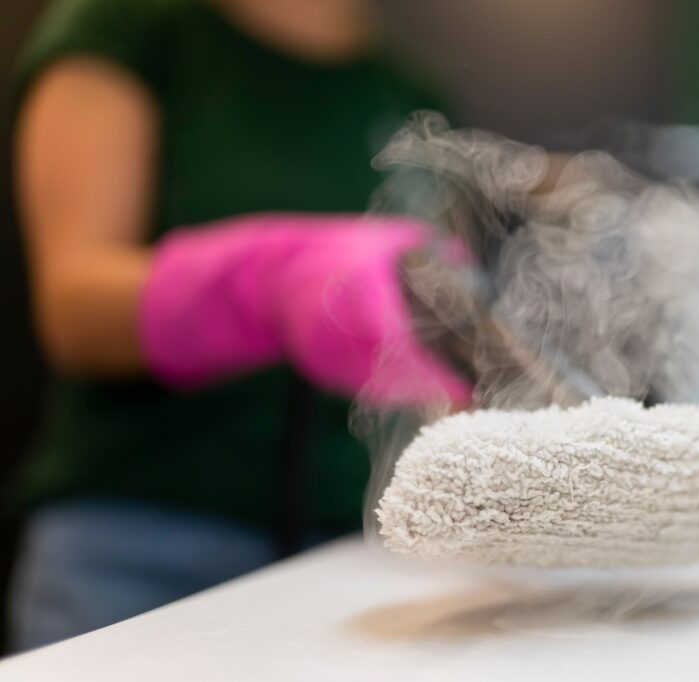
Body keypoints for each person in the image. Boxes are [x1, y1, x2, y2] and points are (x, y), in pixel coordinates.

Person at [6, 0, 469, 651]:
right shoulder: (128, 27)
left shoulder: (407, 92)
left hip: (355, 556)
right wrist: (265, 282)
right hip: (141, 550)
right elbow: (73, 312)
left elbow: (434, 344)